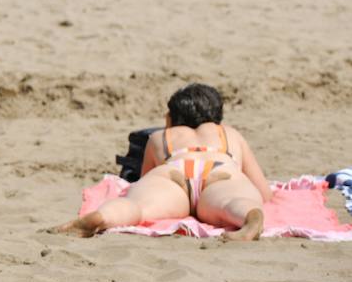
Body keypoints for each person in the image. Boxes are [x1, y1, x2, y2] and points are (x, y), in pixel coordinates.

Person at [57, 84, 270, 241]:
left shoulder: (160, 137)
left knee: (137, 207)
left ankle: (102, 216)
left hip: (173, 172)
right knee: (230, 203)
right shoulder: (229, 133)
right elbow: (263, 190)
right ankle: (249, 217)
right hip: (220, 169)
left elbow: (145, 178)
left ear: (170, 118)